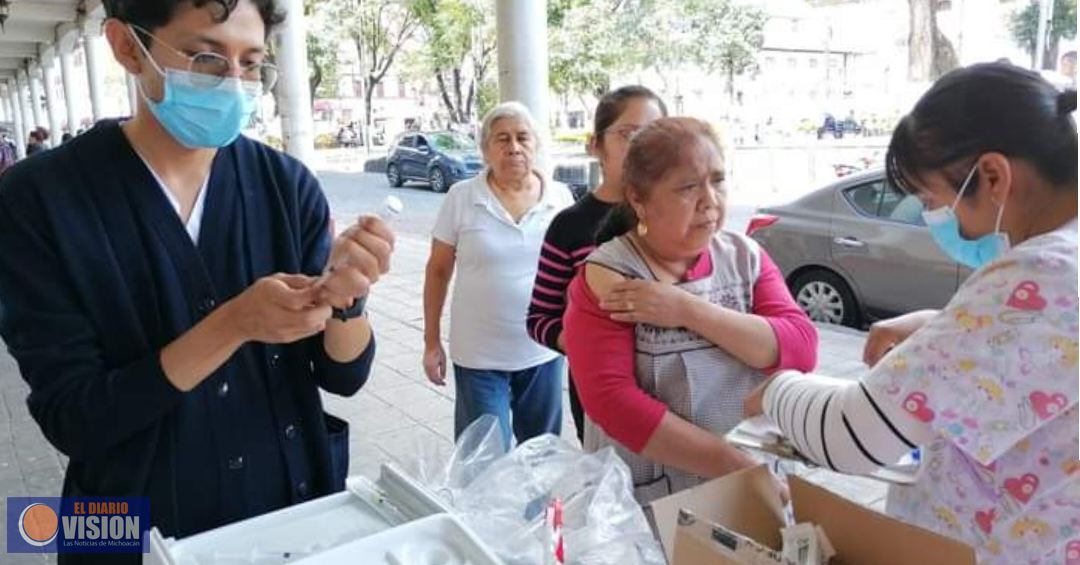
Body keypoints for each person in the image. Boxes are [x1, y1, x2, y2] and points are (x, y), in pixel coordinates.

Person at [0, 1, 391, 561]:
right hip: (120, 524)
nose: (233, 84)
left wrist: (347, 300)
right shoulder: (37, 200)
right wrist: (232, 324)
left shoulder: (286, 185)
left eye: (251, 63)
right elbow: (75, 420)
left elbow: (344, 376)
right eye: (206, 57)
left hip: (287, 506)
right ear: (127, 46)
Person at [746, 63, 1077, 564]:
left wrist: (776, 391)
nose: (939, 220)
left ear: (992, 176)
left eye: (933, 200)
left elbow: (852, 435)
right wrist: (939, 325)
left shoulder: (1039, 272)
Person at [562, 117, 818, 503]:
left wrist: (687, 310)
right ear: (638, 199)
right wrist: (734, 464)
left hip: (755, 481)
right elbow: (613, 403)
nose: (710, 201)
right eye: (687, 187)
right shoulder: (609, 278)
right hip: (655, 496)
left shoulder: (745, 257)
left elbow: (799, 349)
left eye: (717, 180)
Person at [423, 102, 574, 449]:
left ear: (535, 145)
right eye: (502, 139)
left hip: (542, 352)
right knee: (483, 460)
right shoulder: (462, 197)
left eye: (523, 137)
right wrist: (431, 342)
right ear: (486, 149)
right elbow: (438, 270)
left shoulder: (560, 197)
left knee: (541, 456)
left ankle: (536, 508)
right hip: (479, 355)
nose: (514, 147)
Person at [526, 85, 666, 445]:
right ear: (595, 145)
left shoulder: (677, 216)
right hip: (602, 394)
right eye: (627, 134)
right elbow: (539, 317)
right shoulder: (569, 226)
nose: (642, 147)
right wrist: (585, 343)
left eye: (655, 135)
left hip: (678, 386)